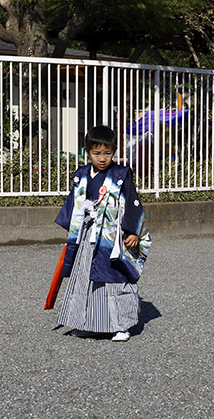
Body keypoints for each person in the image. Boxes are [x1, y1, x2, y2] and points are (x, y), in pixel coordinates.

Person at [55, 125, 151, 342]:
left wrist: (132, 231)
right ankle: (89, 323)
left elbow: (133, 202)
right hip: (88, 235)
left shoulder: (121, 174)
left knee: (115, 279)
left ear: (114, 151)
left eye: (107, 153)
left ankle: (122, 325)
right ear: (86, 152)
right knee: (85, 279)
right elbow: (73, 206)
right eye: (96, 153)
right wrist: (73, 230)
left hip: (112, 236)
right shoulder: (81, 175)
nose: (102, 158)